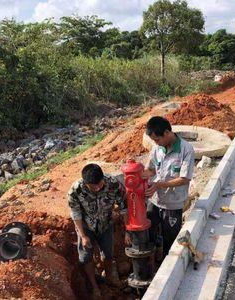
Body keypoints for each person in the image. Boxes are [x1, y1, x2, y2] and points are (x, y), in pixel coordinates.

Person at [67, 163, 128, 298]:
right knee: (86, 257)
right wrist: (83, 236)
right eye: (93, 186)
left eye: (100, 184)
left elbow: (124, 206)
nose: (98, 188)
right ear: (86, 183)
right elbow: (75, 213)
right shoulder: (76, 190)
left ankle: (109, 276)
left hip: (106, 225)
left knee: (108, 253)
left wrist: (128, 230)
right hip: (86, 227)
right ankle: (94, 287)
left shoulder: (113, 184)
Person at [141, 116, 195, 257]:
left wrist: (159, 184)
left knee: (170, 238)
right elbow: (152, 169)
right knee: (149, 231)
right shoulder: (157, 148)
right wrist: (139, 174)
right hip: (155, 200)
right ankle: (154, 256)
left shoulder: (186, 150)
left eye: (157, 139)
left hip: (173, 203)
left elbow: (184, 179)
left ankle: (166, 264)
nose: (156, 143)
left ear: (166, 133)